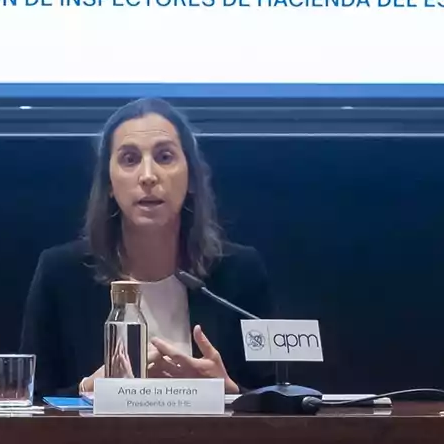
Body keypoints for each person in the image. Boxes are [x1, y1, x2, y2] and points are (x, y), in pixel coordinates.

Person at [20, 98, 274, 399]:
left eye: (165, 157)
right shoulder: (61, 273)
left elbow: (277, 400)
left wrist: (229, 392)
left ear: (191, 177)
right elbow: (30, 401)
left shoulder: (239, 272)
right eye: (129, 159)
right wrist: (88, 389)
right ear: (110, 184)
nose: (148, 176)